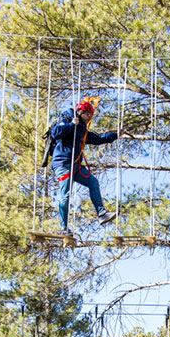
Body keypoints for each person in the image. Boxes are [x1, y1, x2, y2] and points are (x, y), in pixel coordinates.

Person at [51, 100, 119, 235]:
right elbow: (56, 133)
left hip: (75, 166)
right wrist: (71, 125)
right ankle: (63, 228)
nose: (89, 118)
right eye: (88, 115)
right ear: (80, 112)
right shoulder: (67, 120)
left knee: (93, 182)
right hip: (63, 164)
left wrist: (116, 134)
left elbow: (99, 139)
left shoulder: (82, 131)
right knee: (65, 195)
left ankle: (101, 213)